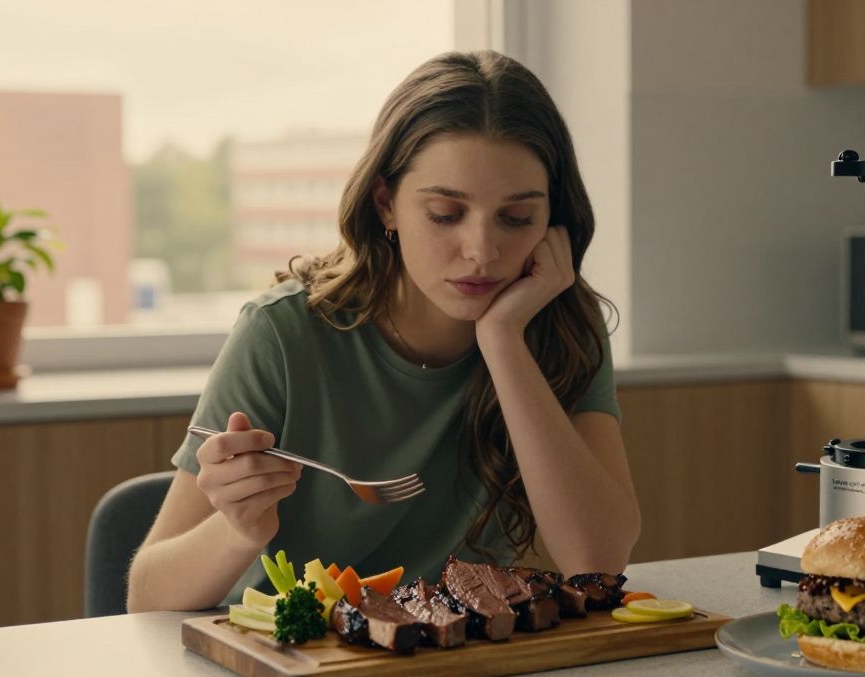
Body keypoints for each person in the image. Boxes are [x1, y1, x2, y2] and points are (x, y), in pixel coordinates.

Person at [127, 51, 641, 613]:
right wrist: (240, 530)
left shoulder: (560, 326)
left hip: (454, 667)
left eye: (516, 219)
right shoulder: (282, 333)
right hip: (291, 676)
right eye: (446, 214)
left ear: (552, 222)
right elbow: (146, 597)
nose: (483, 252)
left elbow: (598, 560)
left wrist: (502, 341)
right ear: (385, 204)